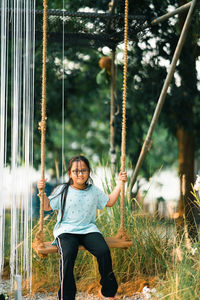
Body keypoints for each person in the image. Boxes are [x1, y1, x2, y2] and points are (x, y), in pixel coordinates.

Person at [37, 155, 128, 300]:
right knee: (68, 254)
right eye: (76, 171)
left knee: (103, 251)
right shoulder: (63, 190)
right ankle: (66, 296)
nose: (80, 174)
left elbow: (109, 202)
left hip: (88, 229)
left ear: (89, 172)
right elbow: (47, 206)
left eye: (83, 170)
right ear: (69, 173)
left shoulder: (93, 190)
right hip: (66, 231)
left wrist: (120, 184)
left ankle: (108, 292)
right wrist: (42, 192)